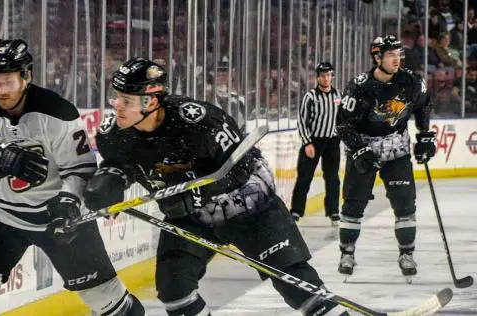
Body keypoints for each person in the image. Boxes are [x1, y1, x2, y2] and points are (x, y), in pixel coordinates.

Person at [84, 57, 348, 316]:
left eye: (126, 101)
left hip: (252, 210)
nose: (117, 106)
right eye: (116, 97)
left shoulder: (200, 123)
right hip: (191, 218)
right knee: (175, 291)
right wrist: (109, 181)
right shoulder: (114, 135)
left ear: (151, 101)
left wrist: (199, 193)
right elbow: (123, 165)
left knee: (298, 286)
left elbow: (241, 168)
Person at [0, 39, 145, 316]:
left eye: (8, 81)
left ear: (27, 76)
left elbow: (79, 169)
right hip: (4, 216)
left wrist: (68, 201)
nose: (0, 90)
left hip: (59, 218)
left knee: (108, 303)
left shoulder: (57, 112)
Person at [336, 35, 436, 282]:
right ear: (377, 57)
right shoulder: (359, 86)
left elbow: (423, 106)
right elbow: (343, 124)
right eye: (391, 55)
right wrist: (359, 149)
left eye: (399, 54)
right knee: (353, 204)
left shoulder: (411, 81)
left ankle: (406, 254)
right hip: (365, 149)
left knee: (405, 204)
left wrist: (425, 135)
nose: (397, 59)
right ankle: (347, 253)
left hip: (396, 149)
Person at [290, 62, 342, 229]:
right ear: (318, 77)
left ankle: (333, 211)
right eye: (323, 75)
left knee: (332, 178)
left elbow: (342, 120)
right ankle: (296, 211)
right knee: (304, 177)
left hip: (332, 142)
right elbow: (302, 121)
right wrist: (307, 142)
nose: (326, 78)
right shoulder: (310, 96)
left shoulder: (338, 96)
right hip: (313, 141)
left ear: (332, 76)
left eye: (329, 75)